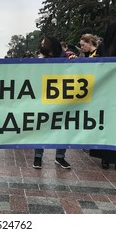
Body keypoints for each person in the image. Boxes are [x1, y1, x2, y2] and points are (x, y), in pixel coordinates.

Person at [90, 18, 116, 171]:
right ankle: (105, 157)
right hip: (106, 91)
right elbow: (94, 66)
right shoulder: (103, 48)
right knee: (106, 122)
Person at [33, 36, 71, 169]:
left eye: (44, 43)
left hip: (61, 98)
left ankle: (60, 157)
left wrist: (76, 62)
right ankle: (38, 156)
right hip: (43, 98)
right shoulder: (40, 60)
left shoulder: (65, 58)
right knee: (41, 126)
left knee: (62, 127)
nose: (41, 45)